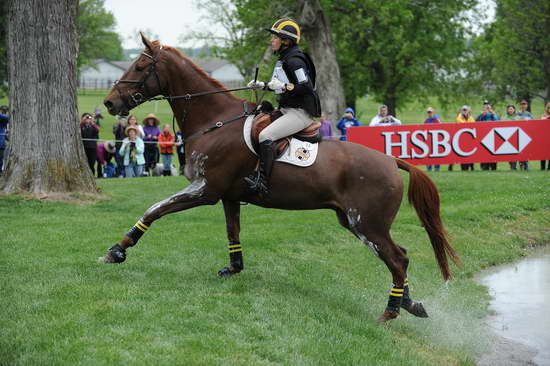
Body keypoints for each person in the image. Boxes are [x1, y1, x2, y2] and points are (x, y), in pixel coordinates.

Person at [244, 18, 321, 193]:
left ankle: (263, 181)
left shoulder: (295, 60)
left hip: (300, 113)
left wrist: (285, 86)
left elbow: (307, 87)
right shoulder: (284, 58)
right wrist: (262, 85)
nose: (272, 40)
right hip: (287, 109)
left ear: (286, 41)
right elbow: (280, 86)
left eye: (275, 37)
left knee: (266, 135)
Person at [476, 102, 499, 170]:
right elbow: (476, 123)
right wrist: (482, 114)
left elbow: (497, 121)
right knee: (483, 153)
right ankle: (484, 167)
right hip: (482, 138)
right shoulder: (481, 116)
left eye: (488, 107)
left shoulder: (493, 115)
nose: (486, 109)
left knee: (492, 153)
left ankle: (493, 167)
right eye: (485, 107)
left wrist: (492, 112)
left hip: (492, 137)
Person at [455, 105, 475, 171]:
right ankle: (464, 168)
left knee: (471, 154)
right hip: (461, 138)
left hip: (470, 138)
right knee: (462, 154)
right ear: (461, 111)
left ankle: (471, 167)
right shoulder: (459, 117)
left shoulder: (471, 117)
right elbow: (460, 123)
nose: (465, 111)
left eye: (466, 110)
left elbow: (473, 124)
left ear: (468, 111)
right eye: (463, 110)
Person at [503, 104, 521, 170]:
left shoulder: (518, 117)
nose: (510, 110)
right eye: (509, 109)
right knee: (509, 153)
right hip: (507, 137)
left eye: (511, 109)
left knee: (515, 153)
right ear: (507, 110)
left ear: (514, 110)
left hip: (516, 137)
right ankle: (511, 165)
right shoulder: (504, 117)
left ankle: (514, 166)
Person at [516, 100, 532, 171]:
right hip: (518, 134)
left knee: (525, 151)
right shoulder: (518, 114)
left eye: (524, 104)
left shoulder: (529, 114)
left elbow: (532, 122)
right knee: (519, 151)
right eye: (522, 104)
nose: (523, 105)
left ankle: (526, 166)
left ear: (527, 105)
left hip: (526, 134)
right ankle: (521, 165)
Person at [424, 107, 441, 172]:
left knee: (437, 154)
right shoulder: (426, 120)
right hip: (428, 140)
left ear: (433, 112)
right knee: (428, 154)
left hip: (436, 140)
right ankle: (429, 168)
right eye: (428, 112)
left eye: (430, 112)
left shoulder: (436, 119)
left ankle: (437, 168)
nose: (429, 113)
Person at [540, 102, 550, 170]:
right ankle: (542, 167)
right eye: (549, 107)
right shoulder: (543, 116)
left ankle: (549, 167)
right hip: (544, 137)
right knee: (543, 152)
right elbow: (541, 123)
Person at [0, 105, 9, 175]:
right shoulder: (4, 117)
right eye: (3, 111)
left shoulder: (4, 121)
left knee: (2, 158)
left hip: (2, 142)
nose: (4, 112)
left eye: (5, 111)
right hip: (1, 142)